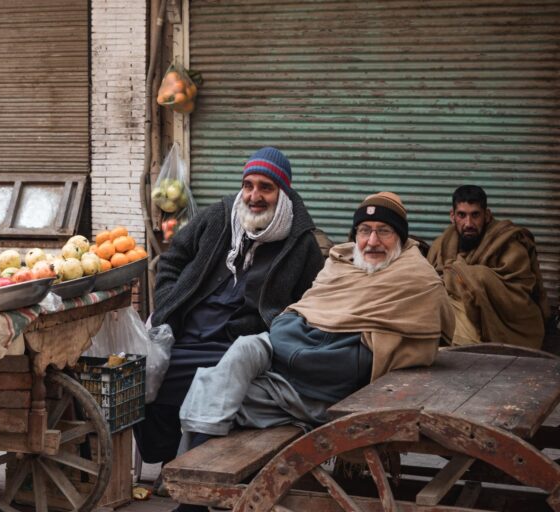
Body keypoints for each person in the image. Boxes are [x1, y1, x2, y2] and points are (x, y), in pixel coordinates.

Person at [178, 192, 453, 448]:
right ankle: (187, 479)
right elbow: (301, 311)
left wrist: (299, 345)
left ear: (401, 238)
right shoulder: (341, 263)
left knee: (215, 390)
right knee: (243, 349)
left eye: (384, 231)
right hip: (290, 358)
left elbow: (362, 357)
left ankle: (188, 483)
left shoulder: (417, 279)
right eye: (364, 230)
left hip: (322, 385)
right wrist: (292, 337)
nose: (372, 241)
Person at [134, 146, 325, 469]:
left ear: (284, 192)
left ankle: (194, 474)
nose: (254, 196)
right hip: (188, 331)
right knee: (138, 377)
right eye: (249, 185)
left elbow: (313, 302)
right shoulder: (220, 217)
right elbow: (171, 260)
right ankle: (167, 458)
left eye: (266, 187)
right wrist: (169, 304)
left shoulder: (300, 242)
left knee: (214, 386)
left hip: (238, 343)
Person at [427, 185, 549, 349]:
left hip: (506, 323)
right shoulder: (442, 244)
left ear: (486, 215)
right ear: (452, 216)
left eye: (475, 215)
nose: (468, 223)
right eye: (462, 215)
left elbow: (517, 295)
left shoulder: (507, 244)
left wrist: (470, 278)